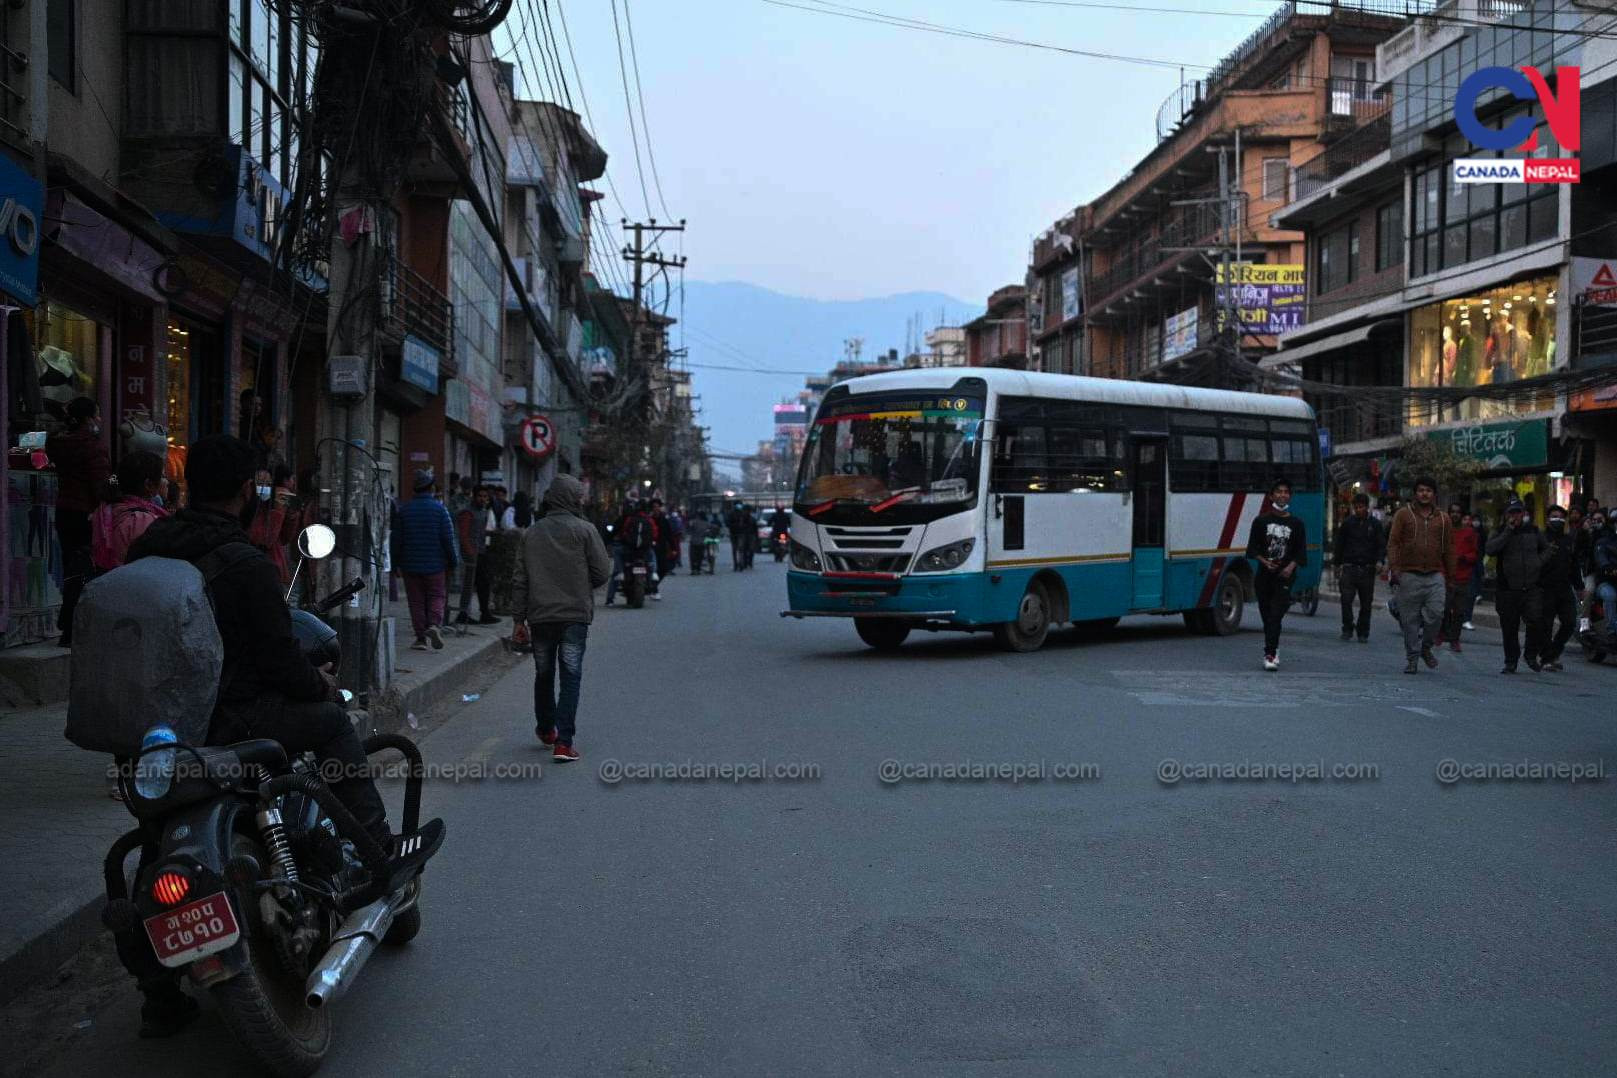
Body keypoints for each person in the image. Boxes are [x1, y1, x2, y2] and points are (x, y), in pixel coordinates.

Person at [121, 435, 442, 1035]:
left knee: (152, 836)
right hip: (232, 719)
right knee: (327, 721)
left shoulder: (149, 549)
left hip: (160, 730)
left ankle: (157, 995)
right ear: (247, 491)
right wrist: (318, 686)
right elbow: (277, 659)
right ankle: (378, 853)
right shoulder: (244, 562)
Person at [511, 475, 610, 762]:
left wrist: (518, 620)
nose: (581, 501)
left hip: (540, 617)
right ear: (572, 499)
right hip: (574, 617)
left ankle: (545, 729)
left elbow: (520, 579)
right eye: (579, 497)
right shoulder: (585, 530)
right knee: (570, 676)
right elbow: (602, 572)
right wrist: (579, 585)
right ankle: (564, 744)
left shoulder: (531, 533)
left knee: (543, 674)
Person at [47, 397, 111, 647]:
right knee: (84, 568)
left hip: (62, 510)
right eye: (97, 415)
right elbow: (104, 484)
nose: (99, 420)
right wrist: (117, 480)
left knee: (69, 567)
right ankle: (74, 625)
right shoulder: (93, 447)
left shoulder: (56, 444)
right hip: (85, 513)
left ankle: (68, 621)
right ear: (88, 418)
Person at [1387, 476, 1454, 675]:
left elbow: (1449, 548)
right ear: (1415, 494)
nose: (1424, 494)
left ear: (1434, 494)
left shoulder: (1443, 519)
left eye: (1428, 490)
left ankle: (1426, 647)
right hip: (1408, 574)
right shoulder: (1403, 515)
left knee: (1436, 614)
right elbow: (1393, 543)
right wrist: (1395, 568)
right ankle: (1412, 659)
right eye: (1421, 490)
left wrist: (1451, 575)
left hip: (1434, 575)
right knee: (1410, 621)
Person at [390, 467, 459, 650]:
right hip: (435, 565)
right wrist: (453, 561)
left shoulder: (404, 511)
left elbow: (396, 540)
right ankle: (434, 625)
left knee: (416, 601)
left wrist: (395, 563)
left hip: (410, 565)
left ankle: (420, 638)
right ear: (431, 488)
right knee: (437, 595)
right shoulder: (440, 510)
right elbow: (448, 539)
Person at [1244, 478, 1306, 671]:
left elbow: (1300, 551)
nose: (1282, 495)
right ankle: (1274, 646)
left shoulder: (1297, 523)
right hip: (1264, 576)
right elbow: (1252, 549)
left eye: (1286, 492)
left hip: (1285, 577)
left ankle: (1269, 654)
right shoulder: (1261, 521)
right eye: (1278, 491)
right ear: (1271, 496)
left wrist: (1290, 568)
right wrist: (1265, 562)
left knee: (1276, 615)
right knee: (1267, 615)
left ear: (1290, 496)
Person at [1486, 498, 1547, 674]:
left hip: (1531, 587)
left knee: (1536, 621)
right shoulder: (1499, 531)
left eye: (1518, 512)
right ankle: (1511, 660)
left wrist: (1538, 562)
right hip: (1507, 588)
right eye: (1511, 513)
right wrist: (1508, 531)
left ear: (1523, 513)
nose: (1515, 516)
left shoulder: (1534, 531)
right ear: (1507, 515)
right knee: (1509, 626)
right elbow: (1490, 549)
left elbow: (1546, 549)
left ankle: (1530, 655)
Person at [91, 451, 169, 571]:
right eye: (163, 476)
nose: (167, 482)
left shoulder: (104, 511)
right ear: (149, 485)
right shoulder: (144, 521)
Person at [1332, 492, 1384, 643]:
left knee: (1366, 603)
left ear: (1367, 507)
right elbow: (1339, 545)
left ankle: (1363, 631)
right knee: (1346, 600)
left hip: (1367, 569)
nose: (1358, 510)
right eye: (1356, 507)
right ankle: (1347, 628)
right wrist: (1336, 564)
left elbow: (1381, 545)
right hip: (1349, 568)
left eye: (1361, 507)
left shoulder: (1375, 525)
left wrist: (1380, 561)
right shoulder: (1348, 523)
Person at [1538, 505, 1579, 672]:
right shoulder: (1541, 539)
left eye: (1561, 517)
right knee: (1546, 625)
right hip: (1545, 587)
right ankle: (1547, 657)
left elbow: (1574, 564)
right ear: (1548, 519)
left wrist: (1579, 586)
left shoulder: (1568, 540)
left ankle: (1554, 652)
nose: (1558, 520)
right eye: (1554, 517)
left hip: (1564, 588)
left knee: (1570, 622)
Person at [1439, 503, 1479, 654]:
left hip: (1462, 577)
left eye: (1457, 512)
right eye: (1452, 512)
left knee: (1459, 611)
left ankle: (1455, 639)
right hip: (1445, 576)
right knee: (1444, 607)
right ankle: (1442, 633)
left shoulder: (1469, 533)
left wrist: (1464, 557)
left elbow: (1474, 554)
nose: (1455, 515)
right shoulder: (1443, 532)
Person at [454, 486, 497, 625]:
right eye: (480, 496)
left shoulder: (484, 512)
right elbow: (464, 535)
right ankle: (463, 613)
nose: (483, 499)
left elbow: (484, 533)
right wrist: (470, 552)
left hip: (481, 552)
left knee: (484, 583)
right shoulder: (467, 513)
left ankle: (485, 612)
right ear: (474, 496)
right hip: (471, 554)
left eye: (485, 496)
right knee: (468, 584)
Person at [1587, 510, 1617, 644]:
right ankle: (1612, 631)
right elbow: (1601, 559)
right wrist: (1608, 568)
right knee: (1610, 595)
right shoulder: (1603, 542)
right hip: (1606, 581)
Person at [740, 504, 759, 569]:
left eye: (747, 511)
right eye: (745, 511)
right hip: (743, 535)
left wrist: (756, 537)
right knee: (744, 550)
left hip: (751, 535)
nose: (746, 512)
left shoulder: (752, 519)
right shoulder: (741, 519)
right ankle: (745, 563)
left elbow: (755, 529)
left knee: (751, 550)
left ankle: (750, 562)